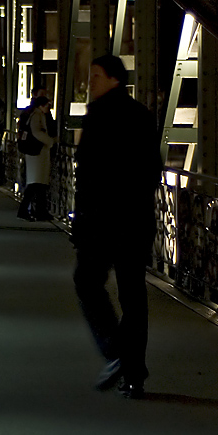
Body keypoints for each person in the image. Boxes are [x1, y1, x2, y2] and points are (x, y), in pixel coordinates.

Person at [71, 54, 160, 399]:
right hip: (135, 221)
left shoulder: (96, 118)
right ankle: (133, 375)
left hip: (101, 222)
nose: (89, 83)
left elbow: (87, 180)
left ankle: (115, 351)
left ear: (114, 80)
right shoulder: (141, 116)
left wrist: (82, 222)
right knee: (133, 295)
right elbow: (151, 172)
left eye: (95, 76)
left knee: (86, 281)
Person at [16, 95, 56, 221]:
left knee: (36, 184)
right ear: (42, 105)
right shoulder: (38, 116)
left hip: (35, 154)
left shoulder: (33, 114)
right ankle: (35, 211)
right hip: (38, 154)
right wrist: (50, 141)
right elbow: (37, 132)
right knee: (37, 183)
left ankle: (34, 210)